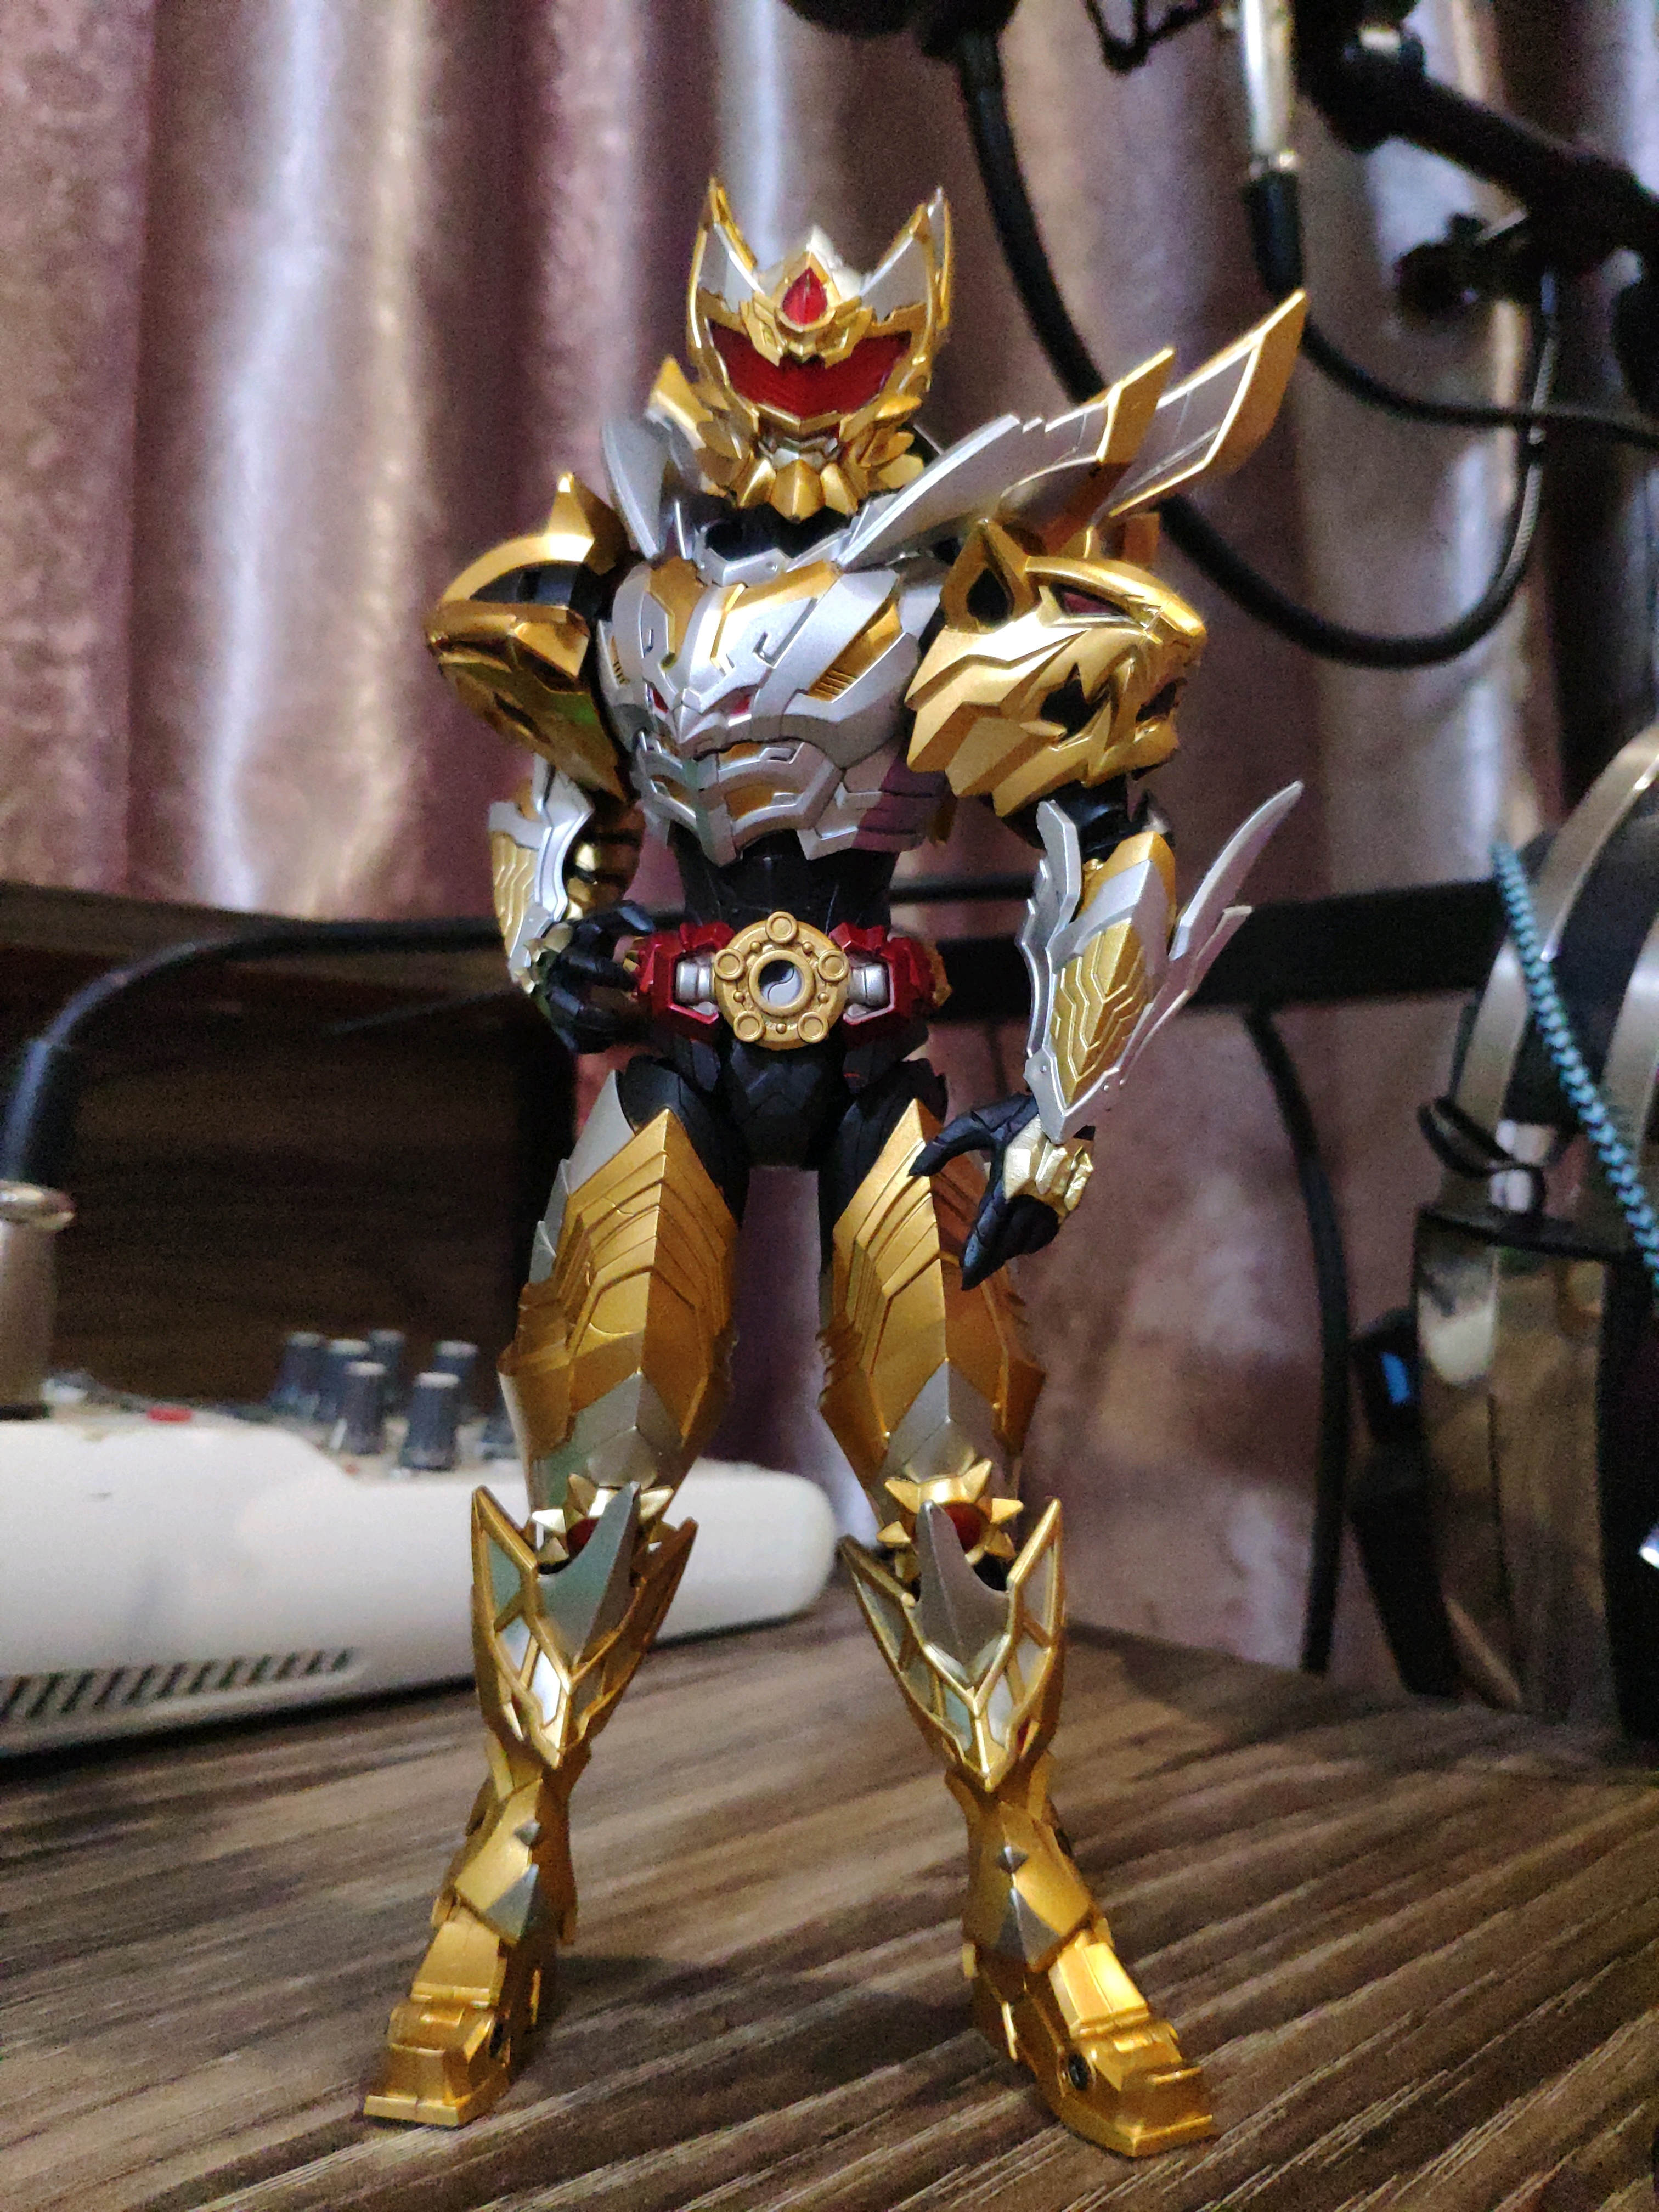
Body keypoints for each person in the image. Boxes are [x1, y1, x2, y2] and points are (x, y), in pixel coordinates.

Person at [365, 181, 1301, 2155]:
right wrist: (556, 944)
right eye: (769, 357)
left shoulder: (963, 586)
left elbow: (1102, 844)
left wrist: (1057, 1108)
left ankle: (1029, 1894)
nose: (801, 392)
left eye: (844, 360)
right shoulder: (614, 580)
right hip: (679, 1062)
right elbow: (559, 804)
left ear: (901, 361)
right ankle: (505, 1873)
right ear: (715, 356)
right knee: (588, 1486)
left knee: (956, 1504)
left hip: (879, 1068)